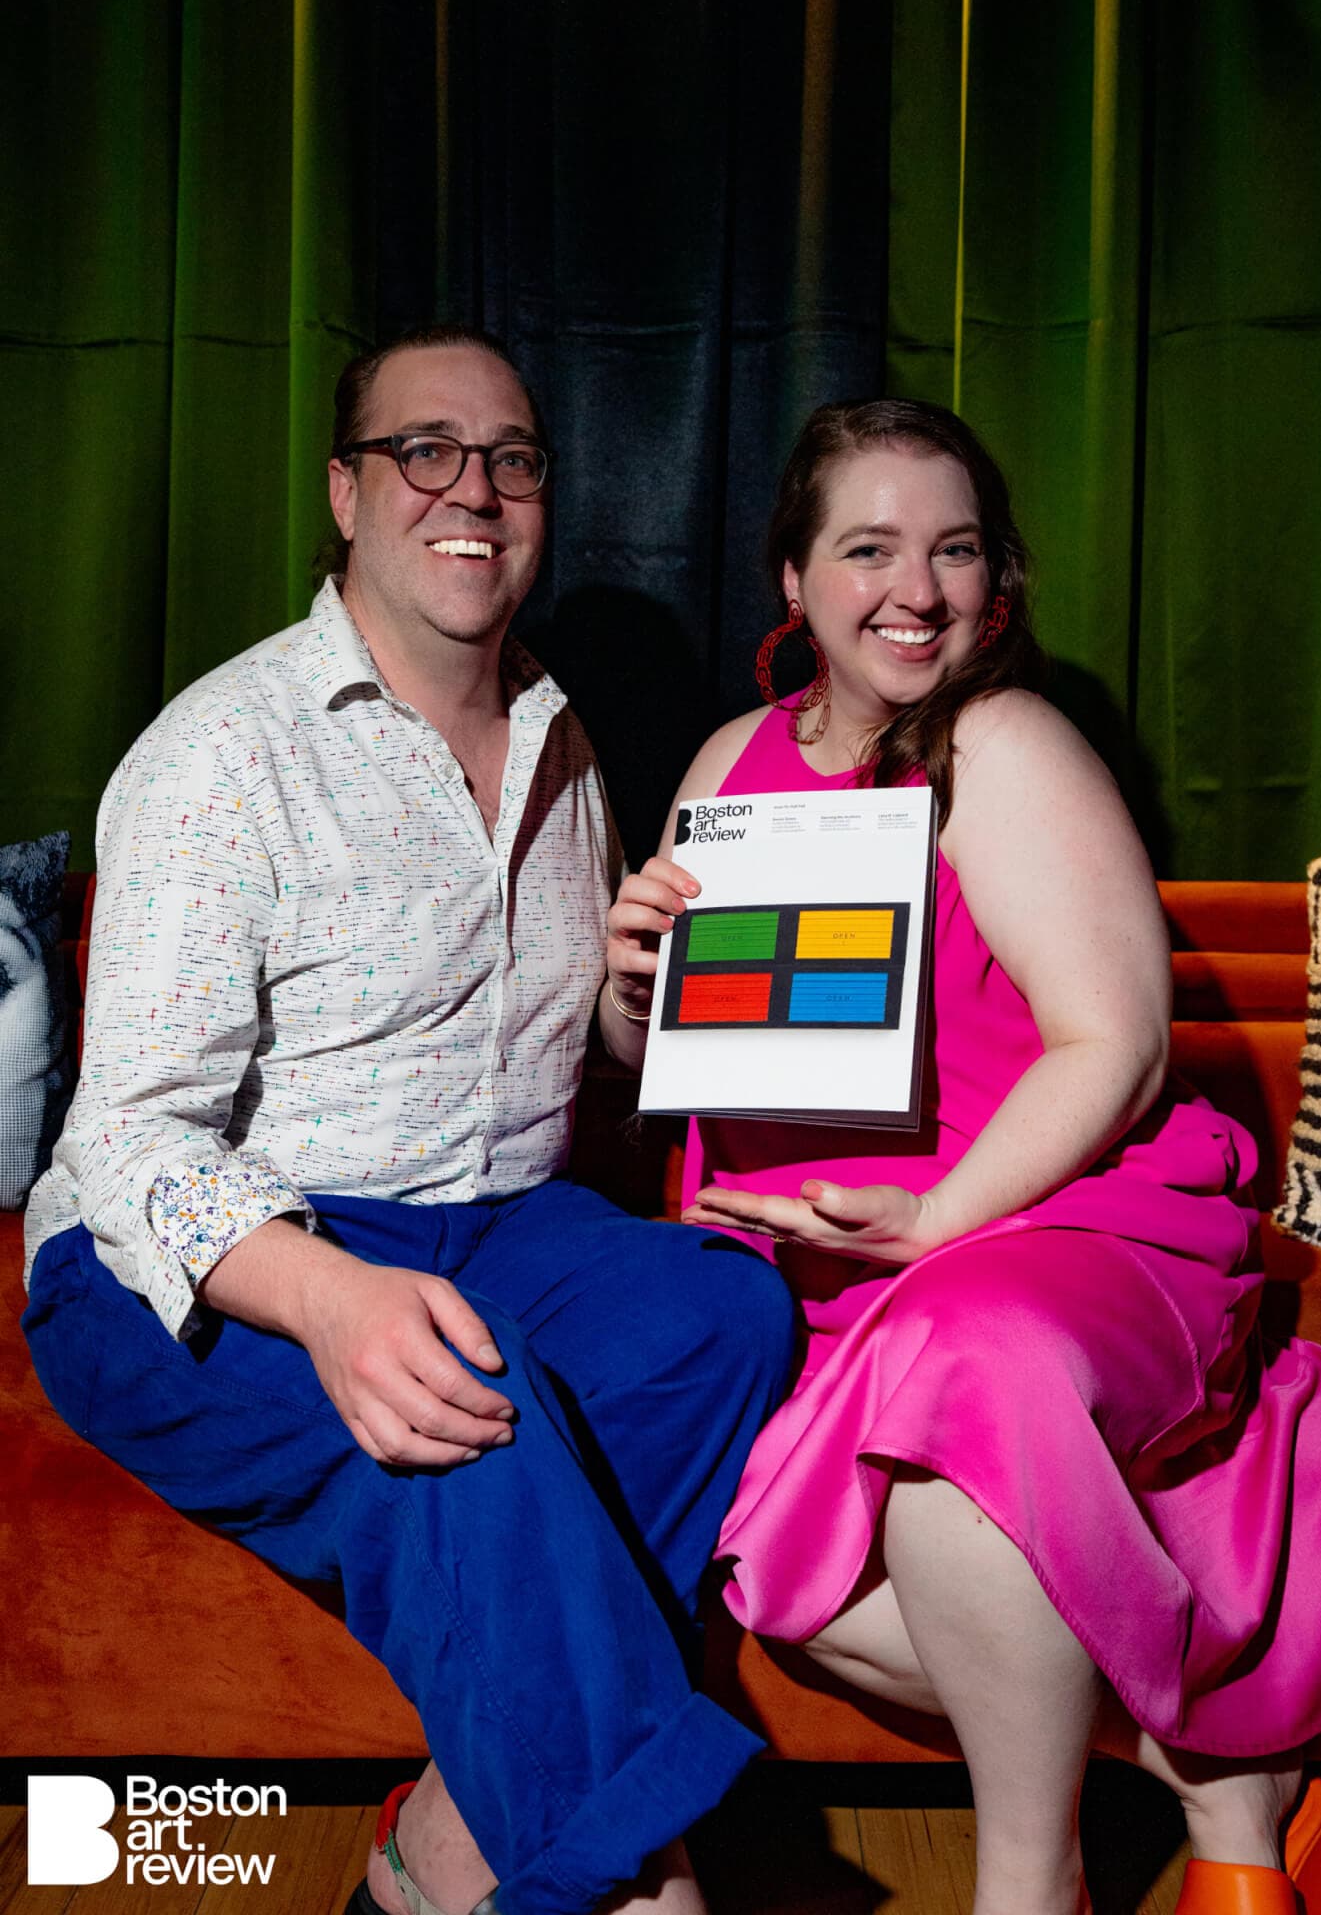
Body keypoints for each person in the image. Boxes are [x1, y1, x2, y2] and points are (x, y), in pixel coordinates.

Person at [22, 325, 796, 1915]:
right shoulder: (223, 751)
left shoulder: (565, 740)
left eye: (512, 459)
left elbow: (567, 1061)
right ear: (346, 492)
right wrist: (326, 1298)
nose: (474, 491)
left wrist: (635, 998)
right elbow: (130, 1139)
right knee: (473, 1410)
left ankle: (444, 1844)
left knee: (721, 1311)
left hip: (493, 1223)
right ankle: (631, 1884)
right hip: (204, 1254)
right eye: (424, 451)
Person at [602, 397, 1321, 1915]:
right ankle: (1217, 1778)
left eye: (953, 550)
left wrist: (938, 1219)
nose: (916, 589)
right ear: (793, 578)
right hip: (808, 1257)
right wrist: (634, 992)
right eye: (868, 548)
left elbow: (1114, 1046)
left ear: (994, 577)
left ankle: (1030, 1880)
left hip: (1050, 1229)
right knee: (728, 1535)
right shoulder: (730, 763)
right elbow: (669, 1079)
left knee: (962, 1369)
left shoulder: (1004, 744)